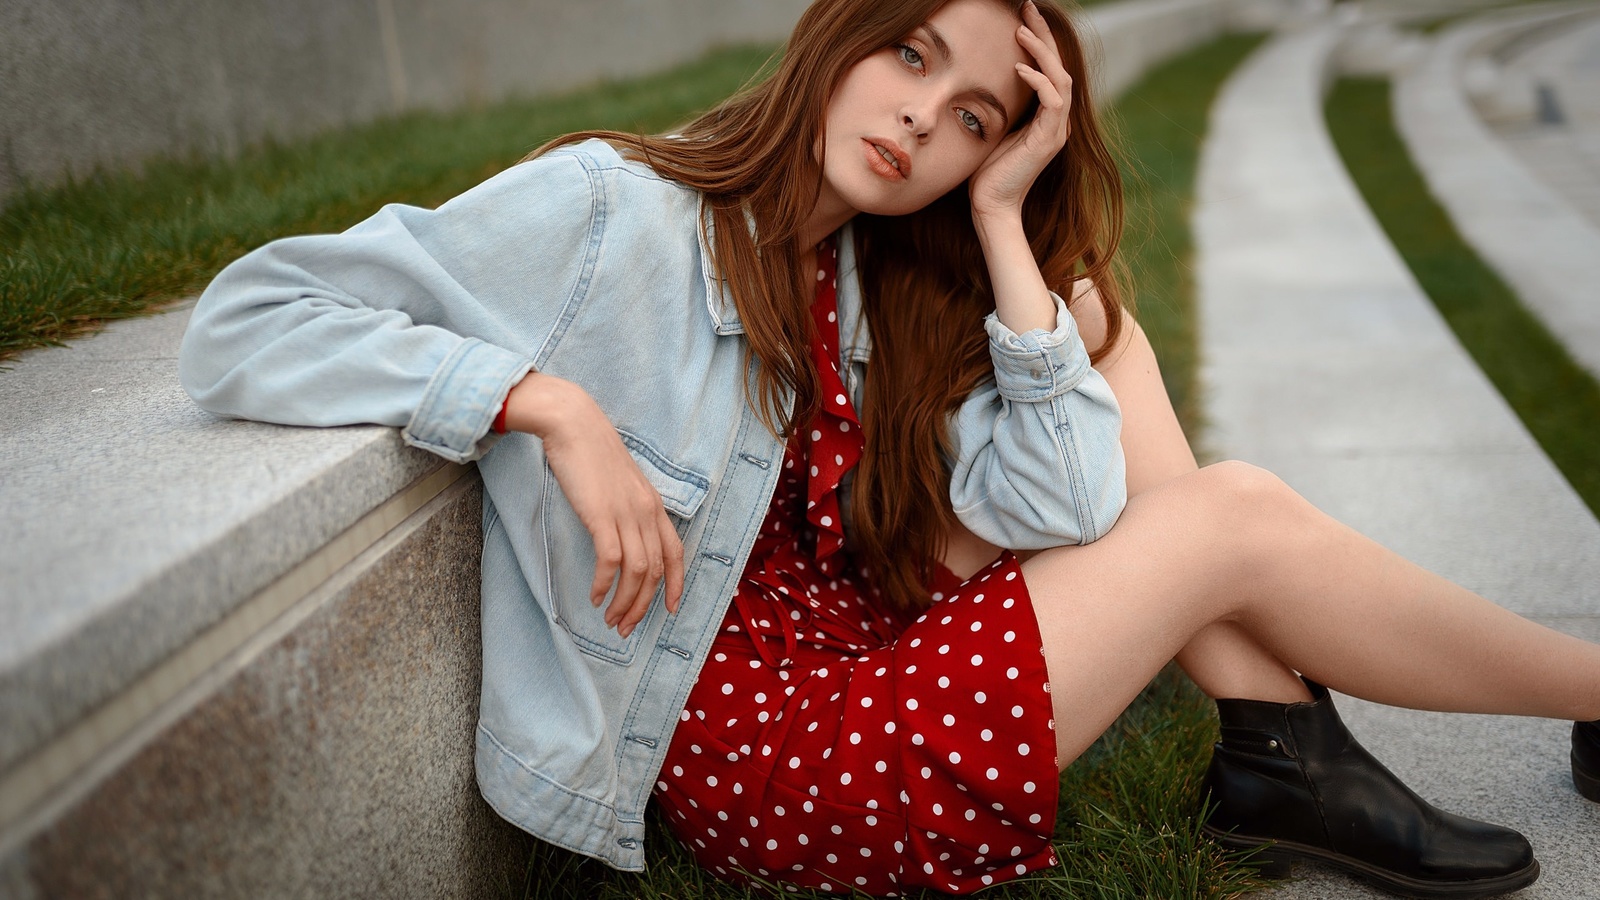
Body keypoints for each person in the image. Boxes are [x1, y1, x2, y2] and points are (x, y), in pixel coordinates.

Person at [177, 0, 1600, 895]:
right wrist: (549, 406)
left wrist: (999, 222)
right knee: (1226, 519)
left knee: (1091, 325)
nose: (924, 114)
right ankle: (1344, 735)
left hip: (862, 672)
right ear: (840, 35)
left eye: (972, 115)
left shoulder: (865, 284)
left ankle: (1282, 743)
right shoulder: (617, 211)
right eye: (912, 54)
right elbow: (254, 315)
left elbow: (1064, 501)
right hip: (779, 765)